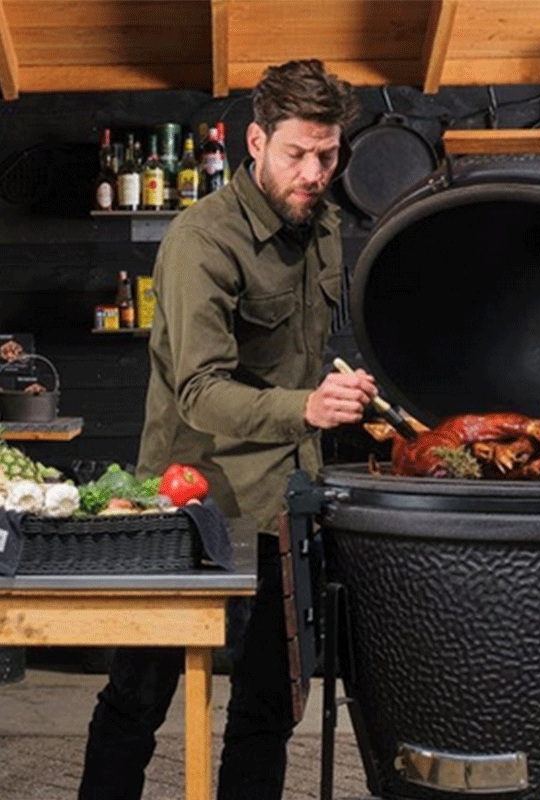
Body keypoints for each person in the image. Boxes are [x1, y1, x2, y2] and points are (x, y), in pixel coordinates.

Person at [78, 59, 377, 800]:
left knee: (267, 712)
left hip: (284, 500)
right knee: (138, 702)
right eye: (297, 154)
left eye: (328, 155)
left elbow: (301, 360)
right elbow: (199, 391)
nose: (314, 173)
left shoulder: (323, 224)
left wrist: (340, 401)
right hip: (189, 504)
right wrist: (307, 407)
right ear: (256, 142)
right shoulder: (201, 241)